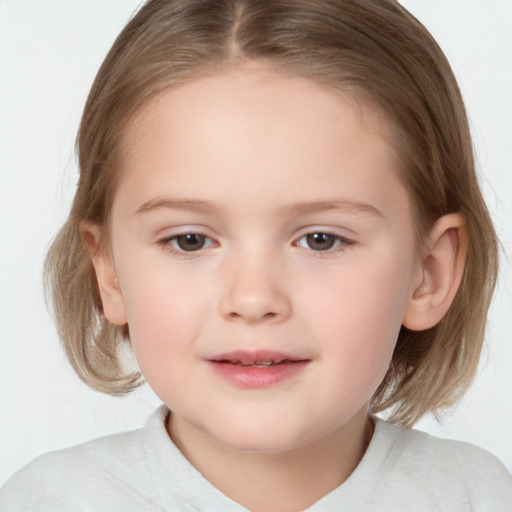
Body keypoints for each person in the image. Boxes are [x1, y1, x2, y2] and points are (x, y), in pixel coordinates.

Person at [1, 0, 511, 510]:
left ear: (429, 273)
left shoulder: (478, 496)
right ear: (109, 272)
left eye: (321, 240)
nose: (252, 299)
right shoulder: (47, 501)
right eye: (190, 240)